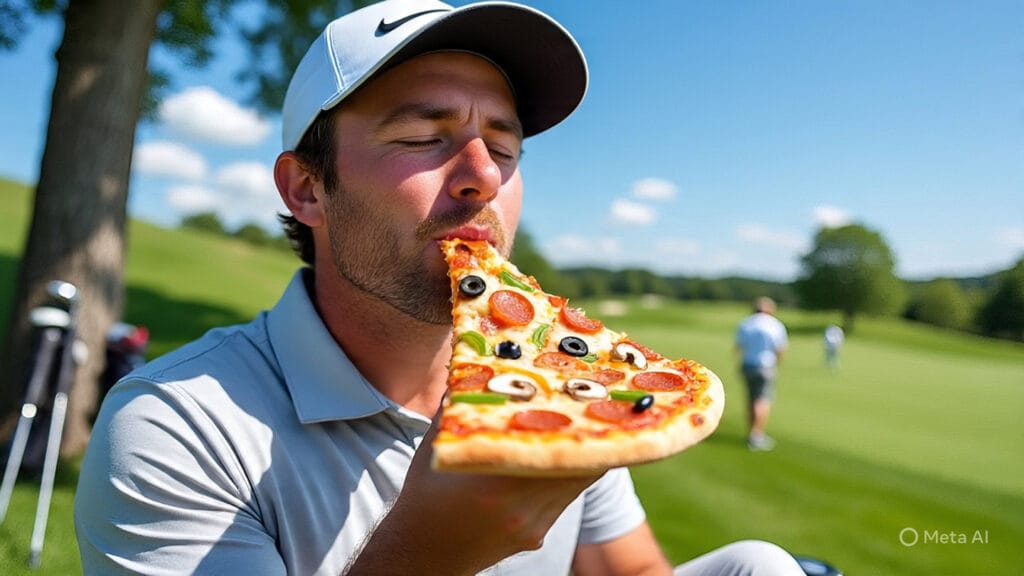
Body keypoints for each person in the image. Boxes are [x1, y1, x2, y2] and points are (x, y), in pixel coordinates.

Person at [74, 1, 806, 574]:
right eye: (425, 137)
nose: (483, 175)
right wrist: (430, 554)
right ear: (308, 189)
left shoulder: (565, 382)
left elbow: (632, 569)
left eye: (506, 146)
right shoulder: (176, 426)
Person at [735, 297, 789, 451]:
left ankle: (751, 432)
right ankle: (756, 436)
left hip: (748, 365)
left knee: (751, 400)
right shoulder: (775, 325)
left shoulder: (746, 323)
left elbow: (739, 346)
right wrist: (777, 364)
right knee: (762, 401)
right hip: (766, 366)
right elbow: (781, 349)